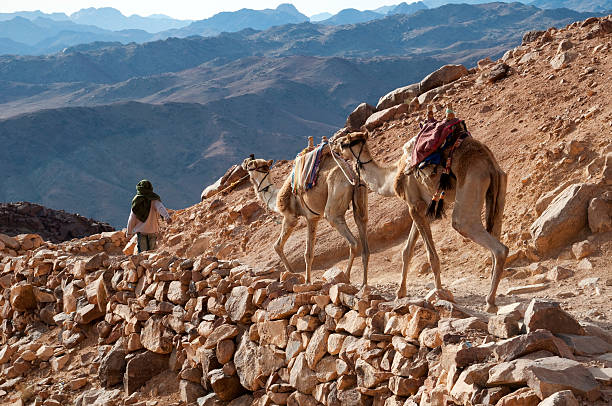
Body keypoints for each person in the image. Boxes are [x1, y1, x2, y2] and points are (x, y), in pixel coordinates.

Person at [126, 179, 172, 253]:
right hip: (153, 230)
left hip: (141, 231)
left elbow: (132, 218)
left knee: (142, 254)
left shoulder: (136, 201)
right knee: (152, 253)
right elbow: (161, 208)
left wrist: (129, 233)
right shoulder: (154, 199)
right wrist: (167, 217)